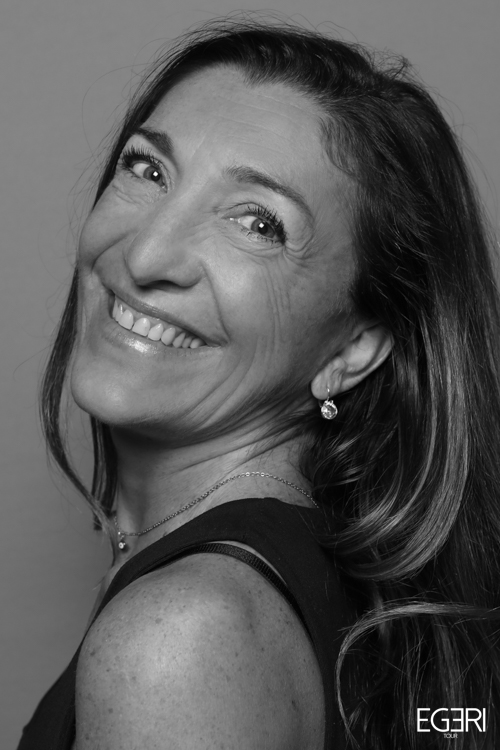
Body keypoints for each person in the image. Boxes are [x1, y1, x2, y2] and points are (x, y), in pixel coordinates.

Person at [18, 18, 500, 750]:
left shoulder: (182, 637)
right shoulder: (291, 578)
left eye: (258, 223)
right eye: (148, 169)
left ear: (353, 349)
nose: (146, 256)